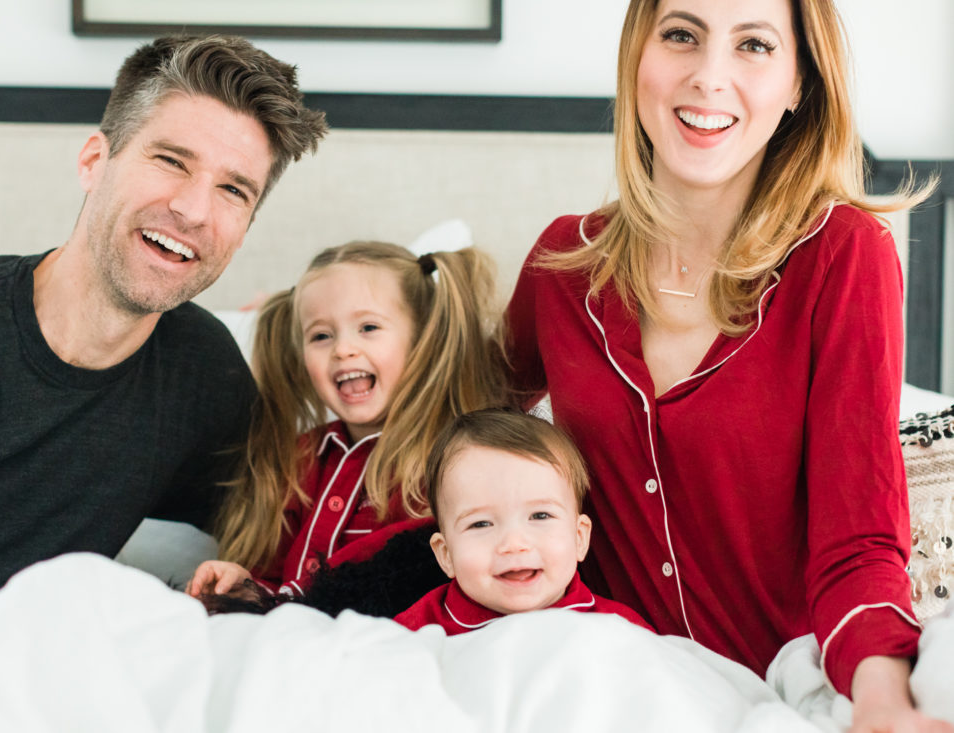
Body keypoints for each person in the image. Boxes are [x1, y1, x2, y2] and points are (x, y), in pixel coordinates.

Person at [504, 1, 949, 730]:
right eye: (681, 35)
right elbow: (448, 450)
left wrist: (881, 699)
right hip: (602, 688)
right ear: (636, 58)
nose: (709, 77)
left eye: (753, 45)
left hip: (788, 687)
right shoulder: (562, 266)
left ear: (799, 82)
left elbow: (858, 545)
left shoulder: (845, 256)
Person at [0, 35, 327, 654]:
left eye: (233, 191)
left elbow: (300, 519)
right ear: (93, 161)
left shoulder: (201, 371)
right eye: (171, 160)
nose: (191, 210)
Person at [187, 241, 507, 599]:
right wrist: (243, 585)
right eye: (321, 335)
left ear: (423, 339)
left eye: (368, 327)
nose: (342, 349)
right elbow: (275, 586)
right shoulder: (300, 458)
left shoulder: (453, 460)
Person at [394, 408, 652, 634]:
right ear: (446, 554)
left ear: (579, 537)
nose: (514, 544)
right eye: (481, 524)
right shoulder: (415, 637)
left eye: (540, 516)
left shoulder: (619, 632)